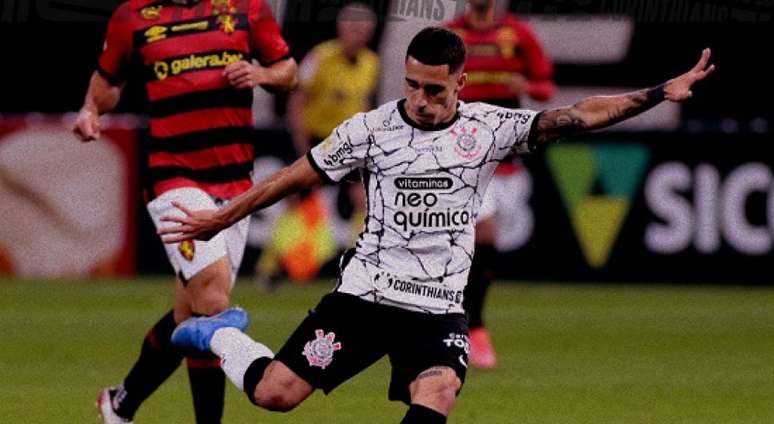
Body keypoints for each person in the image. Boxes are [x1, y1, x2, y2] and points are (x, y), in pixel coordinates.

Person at [159, 27, 714, 423]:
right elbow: (294, 176)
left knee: (440, 390)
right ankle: (221, 332)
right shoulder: (370, 130)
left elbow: (577, 114)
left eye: (434, 90)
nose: (420, 101)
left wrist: (660, 93)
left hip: (438, 305)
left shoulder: (490, 128)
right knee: (275, 396)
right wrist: (222, 217)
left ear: (460, 83)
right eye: (411, 85)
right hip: (366, 295)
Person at [72, 0, 297, 422]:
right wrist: (90, 109)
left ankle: (121, 403)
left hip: (235, 186)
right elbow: (107, 81)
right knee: (214, 303)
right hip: (173, 176)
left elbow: (288, 71)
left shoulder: (246, 8)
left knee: (189, 318)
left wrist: (261, 74)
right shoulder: (134, 16)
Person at [445, 0, 556, 368]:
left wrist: (526, 84)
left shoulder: (518, 33)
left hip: (507, 154)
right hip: (465, 152)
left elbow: (545, 89)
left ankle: (457, 320)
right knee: (484, 235)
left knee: (483, 248)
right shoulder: (451, 33)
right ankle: (474, 328)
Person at [256, 2, 379, 285]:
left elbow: (366, 103)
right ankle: (270, 266)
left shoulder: (372, 62)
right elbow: (296, 101)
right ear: (341, 27)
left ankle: (353, 266)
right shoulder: (321, 57)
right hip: (316, 141)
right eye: (354, 27)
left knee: (363, 200)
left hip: (350, 143)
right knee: (295, 203)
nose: (359, 33)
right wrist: (302, 145)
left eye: (364, 29)